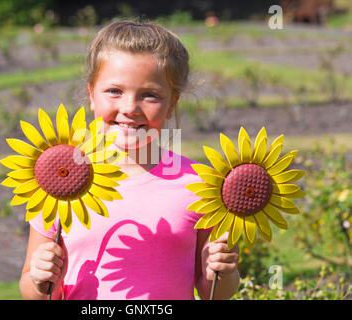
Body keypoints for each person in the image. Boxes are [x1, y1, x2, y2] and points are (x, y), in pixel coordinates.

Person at [19, 20, 240, 300]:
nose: (129, 108)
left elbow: (214, 293)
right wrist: (40, 280)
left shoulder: (201, 185)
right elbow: (31, 288)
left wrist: (223, 271)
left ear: (172, 103)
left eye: (150, 95)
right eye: (114, 91)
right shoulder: (59, 179)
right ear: (91, 94)